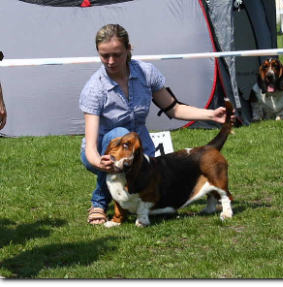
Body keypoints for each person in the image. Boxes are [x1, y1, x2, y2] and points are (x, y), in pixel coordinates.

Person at [80, 24, 234, 225]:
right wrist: (99, 162)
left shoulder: (146, 73)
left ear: (128, 49)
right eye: (104, 55)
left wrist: (211, 115)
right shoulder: (95, 88)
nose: (110, 61)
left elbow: (174, 108)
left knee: (153, 180)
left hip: (139, 147)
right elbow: (91, 146)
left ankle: (152, 203)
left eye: (117, 54)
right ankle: (99, 202)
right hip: (102, 150)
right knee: (120, 133)